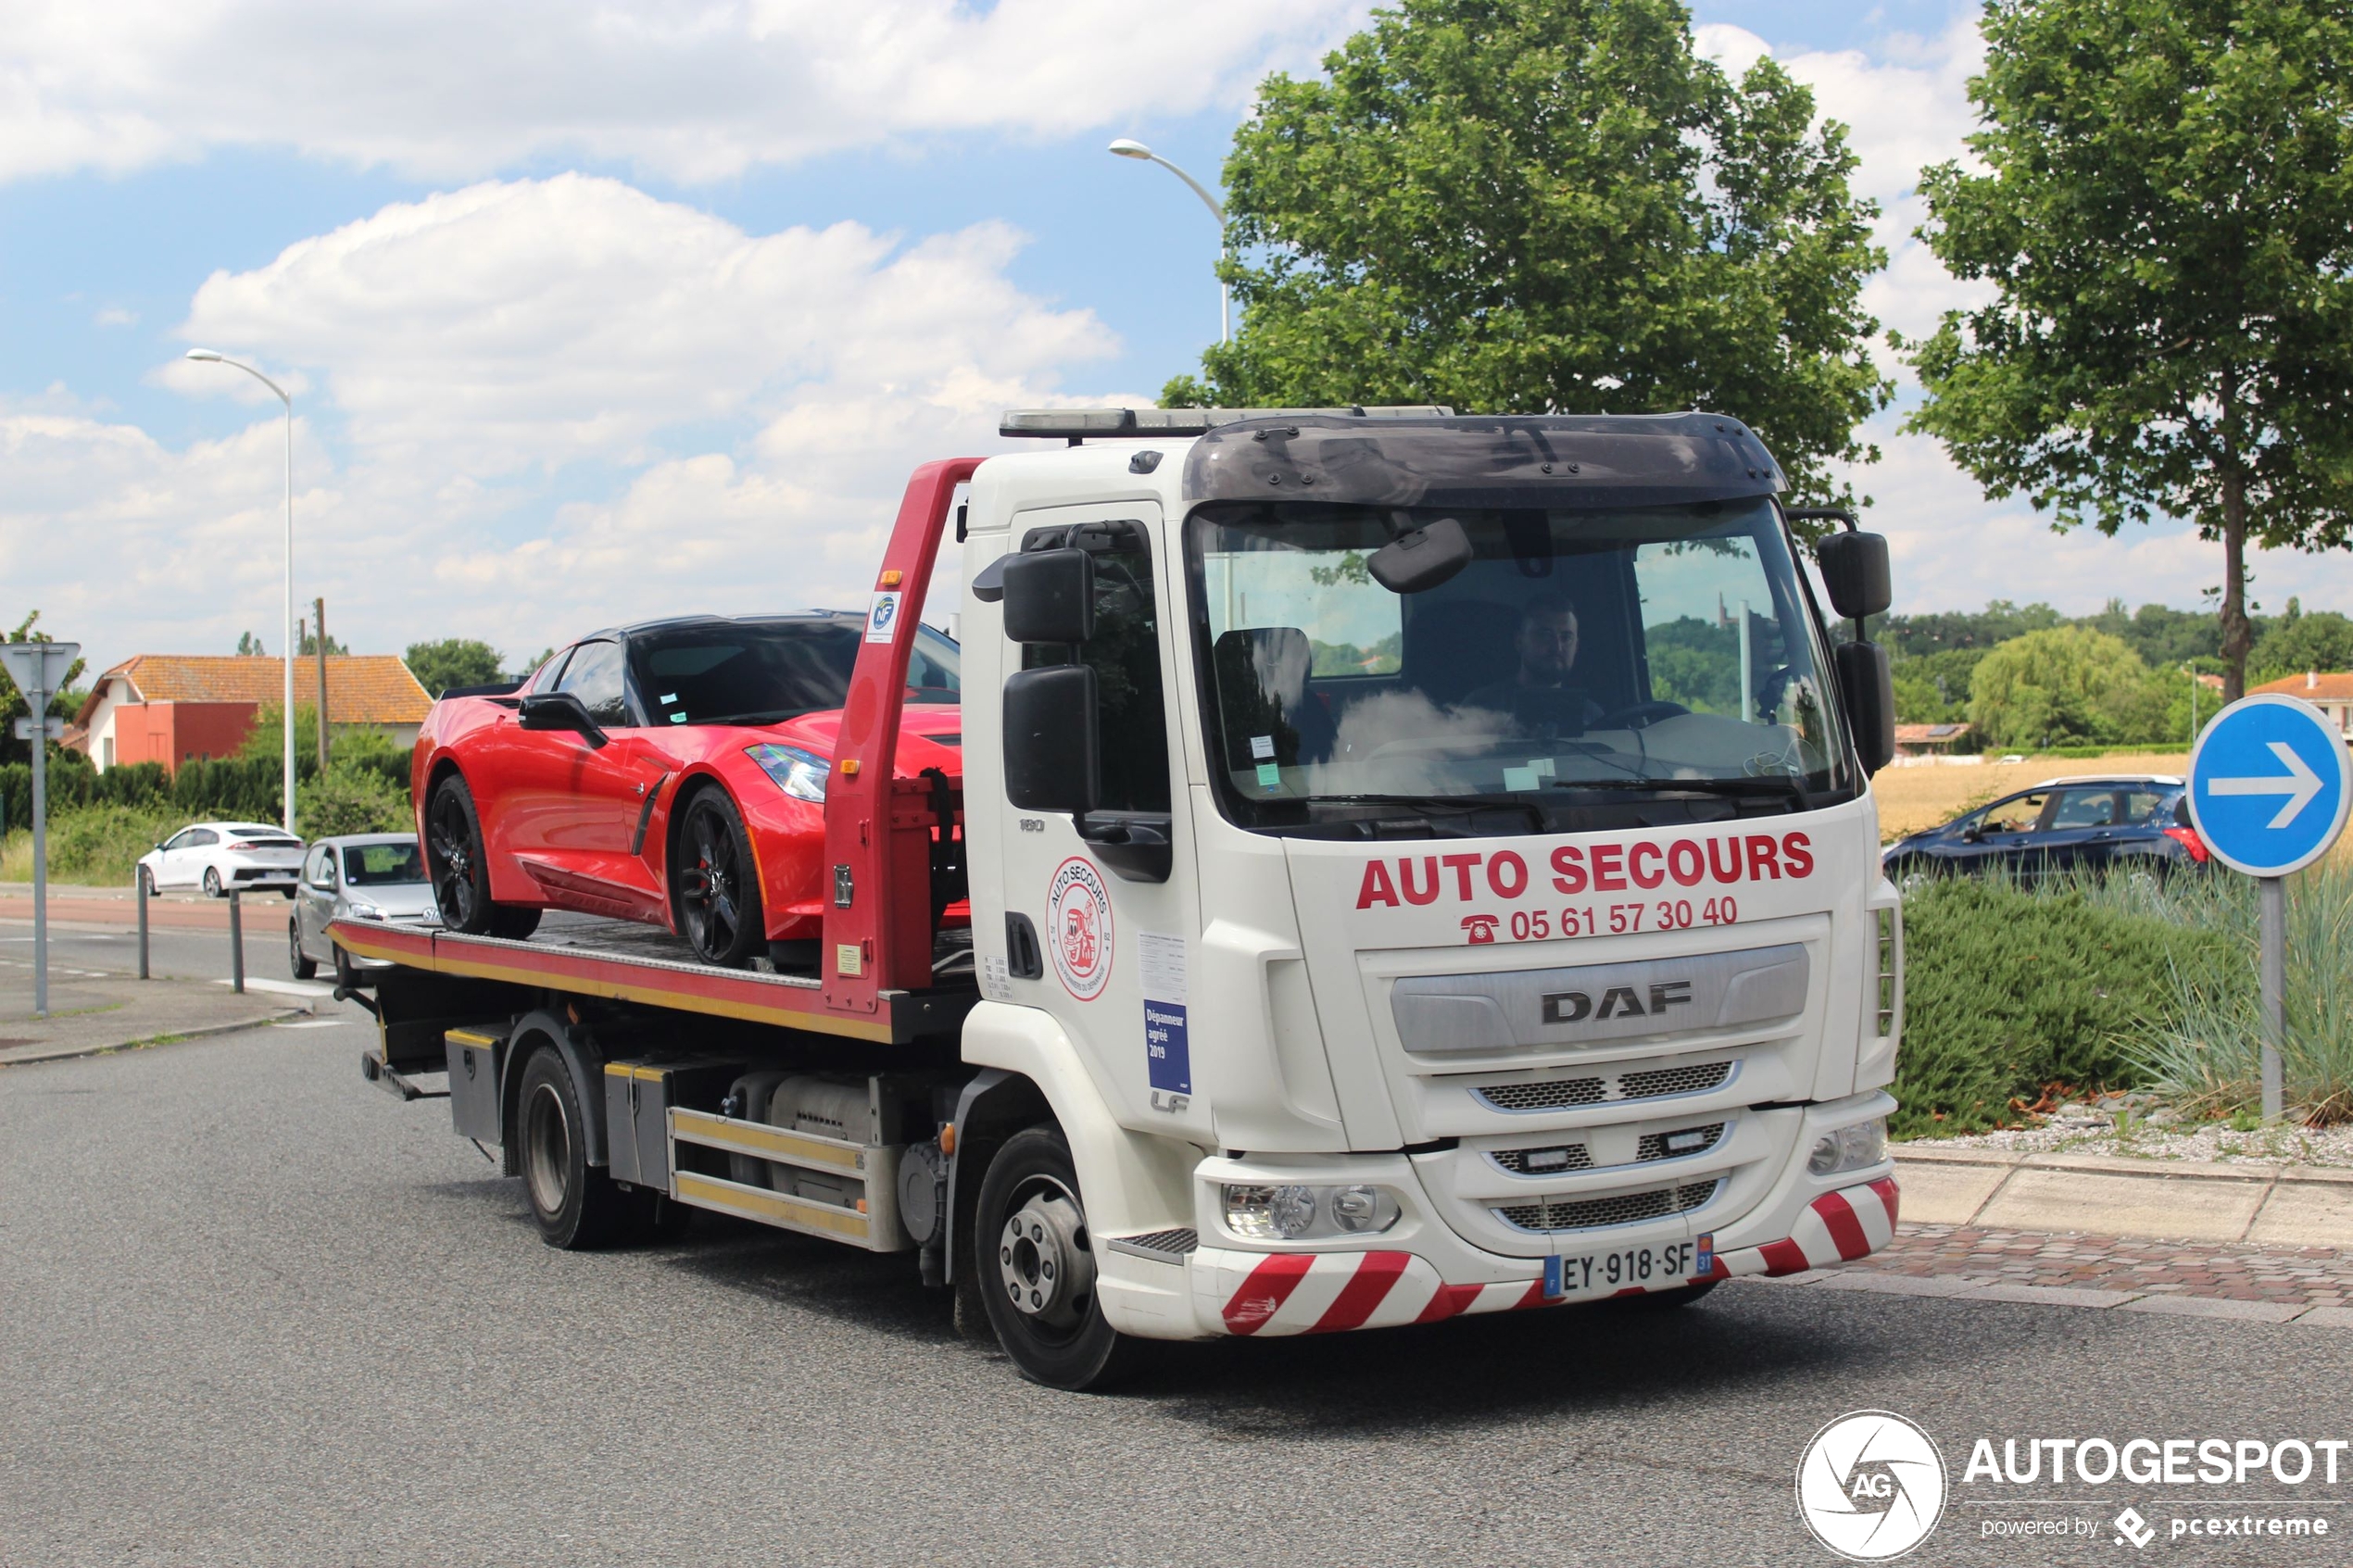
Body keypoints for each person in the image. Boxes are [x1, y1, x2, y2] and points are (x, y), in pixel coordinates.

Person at [1457, 593, 1604, 731]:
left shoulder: (1591, 716)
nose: (1557, 647)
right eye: (1545, 635)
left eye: (1566, 637)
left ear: (1576, 646)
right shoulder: (1479, 708)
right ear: (1519, 641)